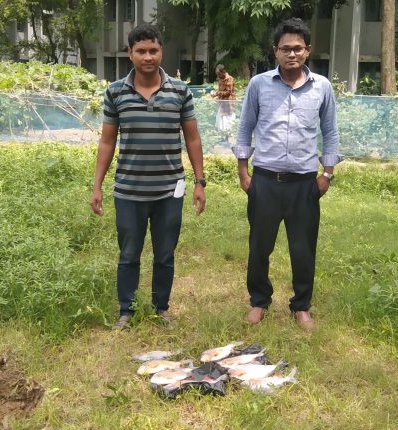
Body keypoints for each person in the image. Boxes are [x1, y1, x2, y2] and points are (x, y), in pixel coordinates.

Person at [91, 23, 207, 330]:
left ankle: (161, 308)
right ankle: (126, 311)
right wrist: (97, 186)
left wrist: (199, 182)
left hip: (170, 191)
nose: (147, 57)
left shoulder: (180, 91)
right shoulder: (116, 92)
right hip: (128, 191)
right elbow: (107, 142)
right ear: (130, 53)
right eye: (140, 51)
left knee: (165, 254)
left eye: (153, 50)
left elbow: (193, 138)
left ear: (161, 52)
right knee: (129, 254)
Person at [232, 18, 343, 330]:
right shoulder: (259, 85)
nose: (291, 54)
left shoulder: (322, 87)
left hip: (304, 184)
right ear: (275, 51)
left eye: (297, 48)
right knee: (259, 247)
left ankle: (301, 306)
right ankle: (259, 301)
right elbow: (245, 128)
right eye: (285, 48)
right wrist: (243, 173)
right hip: (265, 181)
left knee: (303, 249)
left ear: (307, 50)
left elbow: (330, 132)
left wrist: (327, 174)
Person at [211, 64, 236, 134]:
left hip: (228, 104)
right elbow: (220, 91)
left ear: (223, 72)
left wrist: (217, 93)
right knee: (220, 122)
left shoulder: (229, 79)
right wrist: (216, 94)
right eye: (217, 74)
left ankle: (228, 137)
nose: (218, 75)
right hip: (222, 103)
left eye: (219, 74)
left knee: (227, 122)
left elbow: (228, 92)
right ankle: (222, 136)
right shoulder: (220, 79)